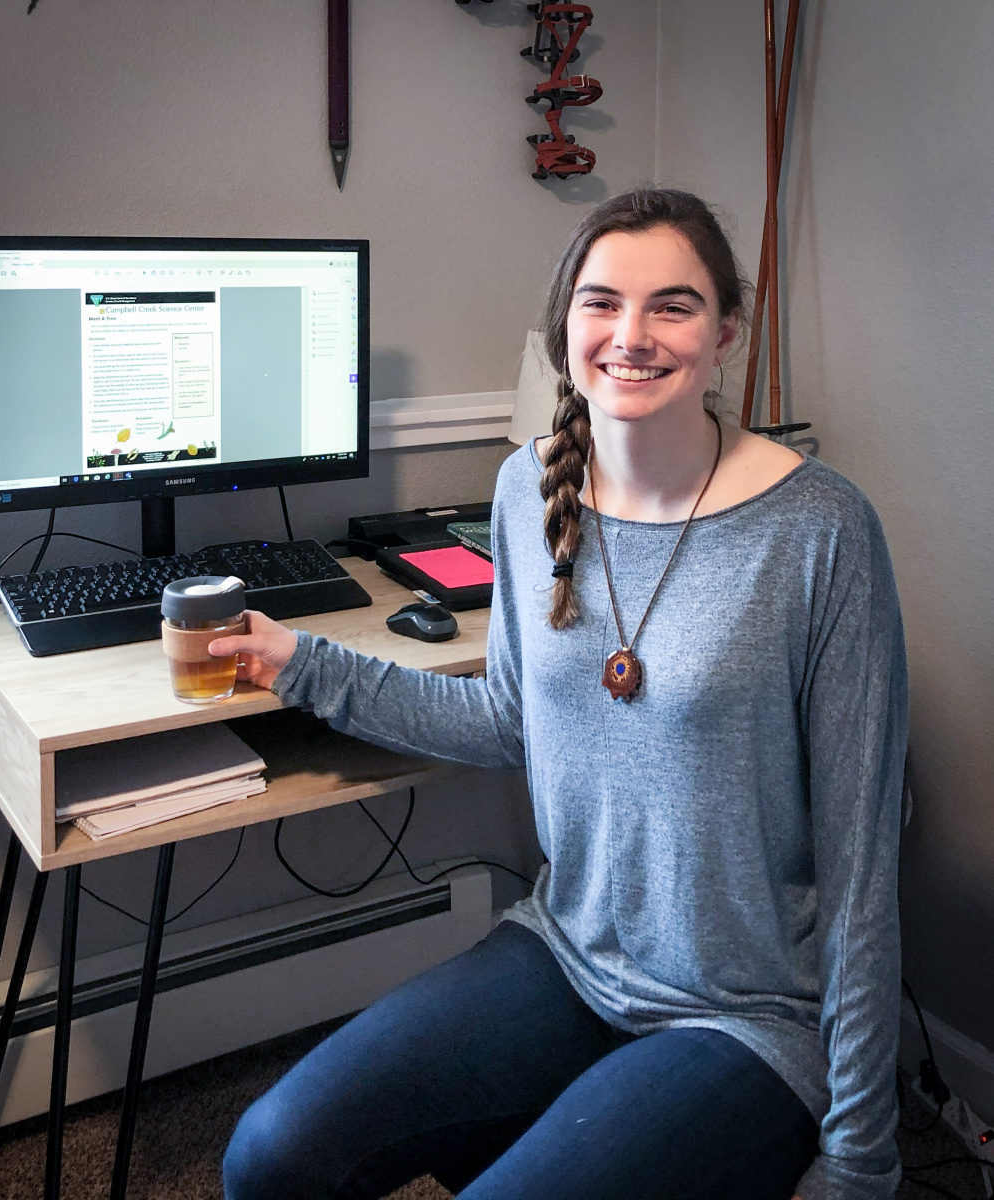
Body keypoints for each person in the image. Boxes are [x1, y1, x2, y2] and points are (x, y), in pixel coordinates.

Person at [212, 188, 908, 1200]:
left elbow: (860, 864)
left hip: (750, 1011)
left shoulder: (819, 530)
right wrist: (303, 663)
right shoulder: (521, 490)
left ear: (721, 337)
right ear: (563, 329)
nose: (629, 336)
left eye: (670, 306)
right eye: (600, 303)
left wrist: (860, 1157)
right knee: (268, 1154)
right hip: (568, 952)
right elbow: (504, 718)